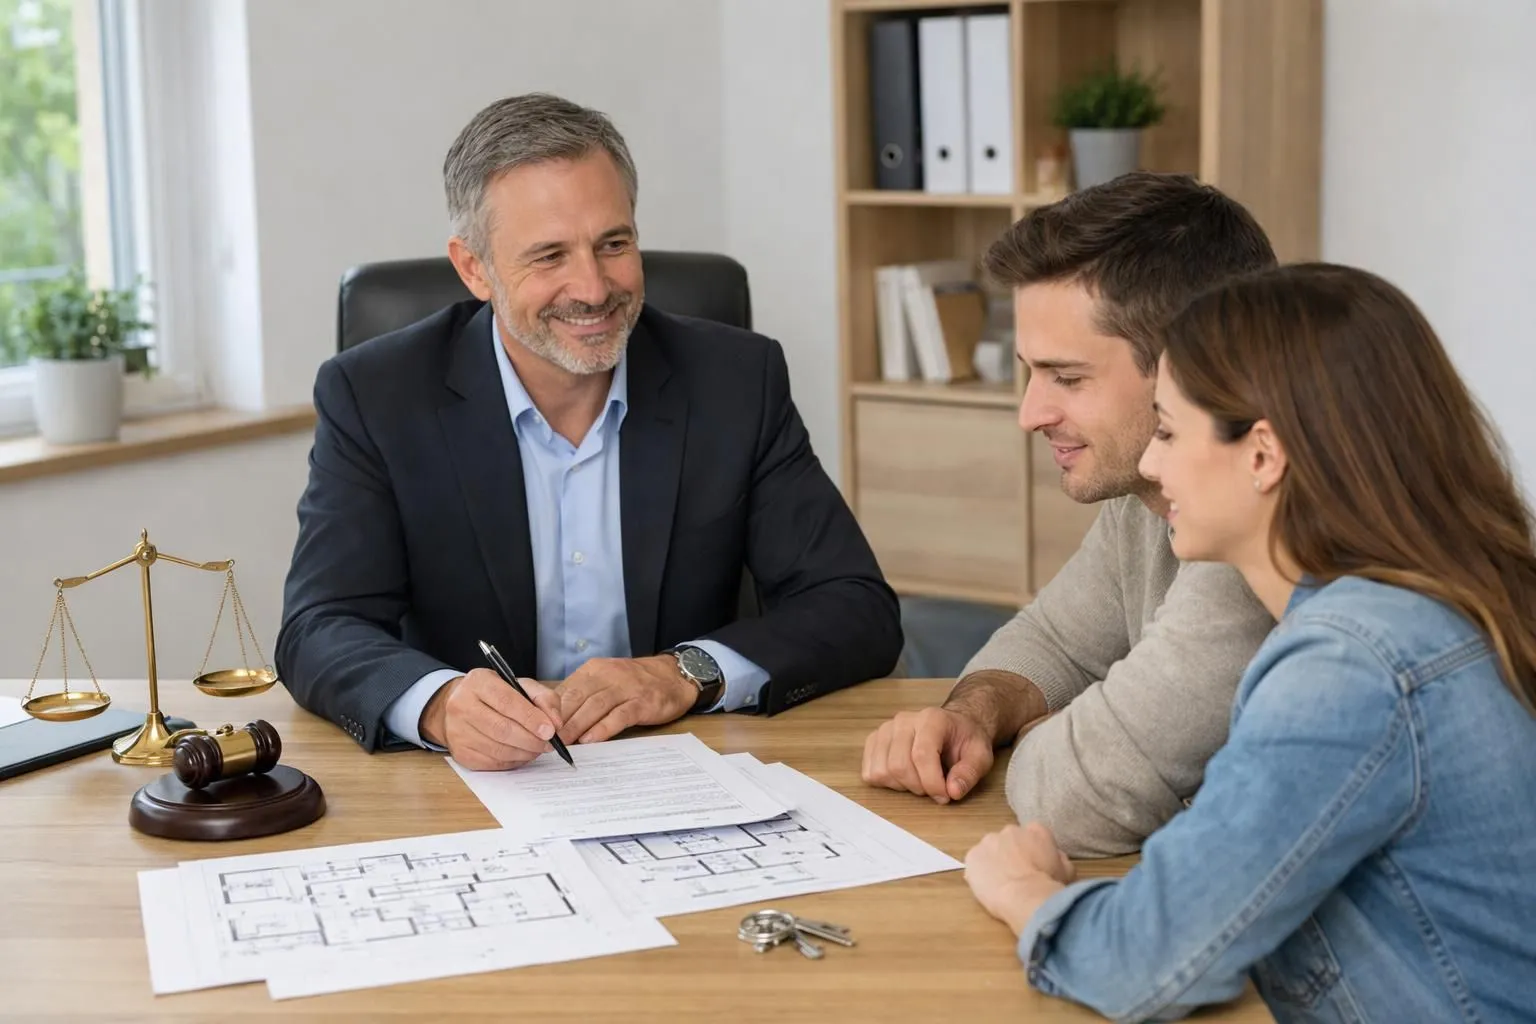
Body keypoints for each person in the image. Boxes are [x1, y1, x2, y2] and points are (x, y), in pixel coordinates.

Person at [963, 263, 1536, 1023]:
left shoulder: (1347, 665)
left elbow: (1143, 963)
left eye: (1168, 431)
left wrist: (1024, 891)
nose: (1151, 463)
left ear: (1263, 455)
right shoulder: (1422, 605)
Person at [275, 93, 902, 768]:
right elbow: (319, 626)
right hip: (467, 784)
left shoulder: (736, 379)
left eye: (614, 244)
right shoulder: (375, 395)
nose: (594, 288)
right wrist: (438, 703)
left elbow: (855, 607)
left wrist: (684, 672)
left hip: (685, 767)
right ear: (473, 268)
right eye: (549, 256)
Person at [862, 173, 1277, 856]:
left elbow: (1073, 800)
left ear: (1196, 366)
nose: (1030, 414)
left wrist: (1056, 737)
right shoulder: (1148, 493)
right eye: (1029, 371)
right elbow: (1057, 641)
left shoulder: (1249, 531)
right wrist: (976, 714)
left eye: (1068, 377)